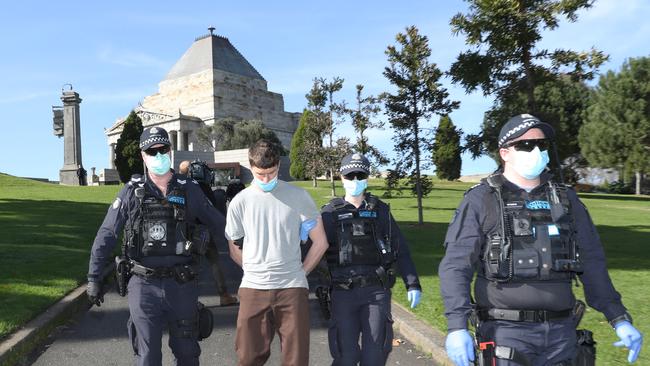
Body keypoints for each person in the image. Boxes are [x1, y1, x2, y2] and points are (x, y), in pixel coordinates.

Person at [439, 114, 643, 366]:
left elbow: (592, 262)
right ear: (505, 153)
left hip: (562, 334)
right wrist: (456, 326)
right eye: (525, 145)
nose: (535, 150)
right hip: (506, 334)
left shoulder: (567, 200)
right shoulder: (482, 199)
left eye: (541, 145)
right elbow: (456, 266)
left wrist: (618, 317)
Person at [86, 127, 226, 366]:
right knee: (147, 357)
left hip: (181, 285)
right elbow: (107, 233)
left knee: (188, 355)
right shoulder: (131, 192)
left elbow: (221, 225)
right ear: (143, 155)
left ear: (170, 151)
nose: (159, 156)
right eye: (152, 151)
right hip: (143, 287)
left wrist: (244, 251)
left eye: (163, 150)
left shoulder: (188, 188)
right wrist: (94, 276)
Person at [225, 139, 329, 366]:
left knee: (296, 360)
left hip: (291, 289)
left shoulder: (299, 197)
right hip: (253, 288)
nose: (265, 179)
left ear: (278, 167)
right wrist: (255, 268)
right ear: (250, 167)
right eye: (259, 174)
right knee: (248, 358)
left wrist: (302, 273)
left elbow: (320, 242)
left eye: (271, 174)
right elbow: (233, 247)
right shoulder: (239, 202)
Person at [319, 153, 422, 366]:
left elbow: (400, 248)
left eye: (360, 175)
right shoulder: (329, 214)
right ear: (341, 178)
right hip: (342, 292)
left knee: (374, 356)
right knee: (345, 357)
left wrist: (412, 283)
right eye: (350, 176)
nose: (355, 181)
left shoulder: (380, 211)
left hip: (376, 292)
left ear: (367, 177)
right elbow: (313, 250)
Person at [179, 160, 237, 306]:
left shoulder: (179, 184)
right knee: (214, 261)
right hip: (203, 231)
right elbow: (211, 209)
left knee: (187, 264)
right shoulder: (203, 187)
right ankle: (223, 295)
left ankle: (188, 300)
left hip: (184, 231)